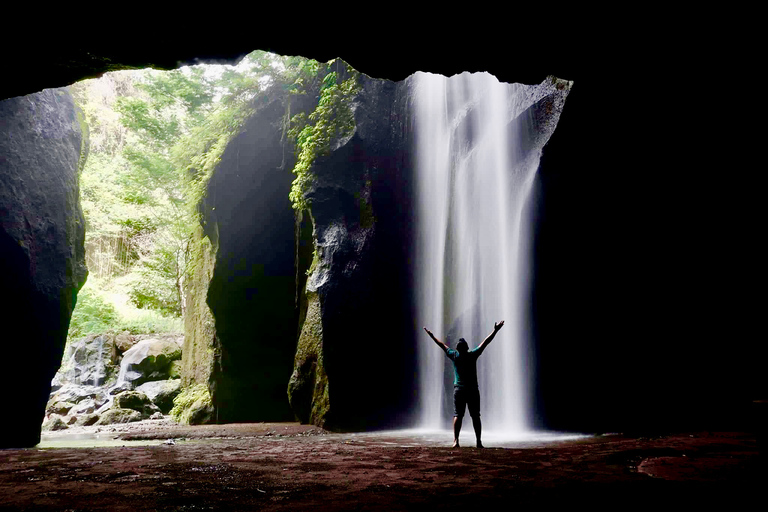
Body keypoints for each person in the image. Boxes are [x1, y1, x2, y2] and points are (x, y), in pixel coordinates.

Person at [423, 321, 505, 448]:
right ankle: (478, 441)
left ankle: (456, 441)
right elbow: (485, 342)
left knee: (458, 415)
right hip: (472, 390)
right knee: (475, 416)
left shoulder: (454, 355)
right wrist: (495, 330)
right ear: (467, 348)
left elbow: (442, 345)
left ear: (457, 348)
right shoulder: (472, 355)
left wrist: (431, 336)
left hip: (459, 390)